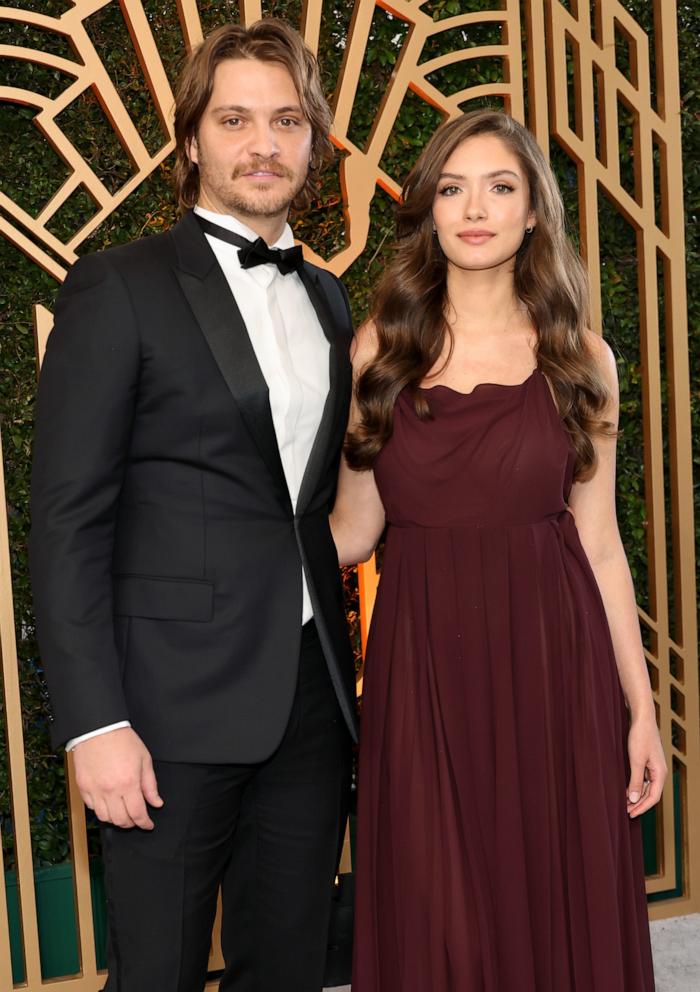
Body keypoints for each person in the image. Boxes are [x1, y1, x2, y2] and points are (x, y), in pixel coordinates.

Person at [30, 18, 357, 992]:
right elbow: (67, 519)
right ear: (190, 141)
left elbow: (314, 500)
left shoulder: (332, 299)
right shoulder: (119, 287)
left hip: (308, 697)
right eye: (235, 119)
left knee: (289, 965)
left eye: (285, 120)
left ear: (313, 141)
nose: (262, 143)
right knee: (159, 973)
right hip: (164, 712)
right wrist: (94, 724)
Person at [330, 110, 665, 991]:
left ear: (531, 213)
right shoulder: (380, 350)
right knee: (441, 916)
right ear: (430, 211)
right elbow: (355, 530)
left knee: (553, 903)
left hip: (556, 669)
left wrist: (641, 709)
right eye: (452, 187)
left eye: (500, 186)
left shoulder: (582, 358)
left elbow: (600, 546)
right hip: (423, 672)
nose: (474, 207)